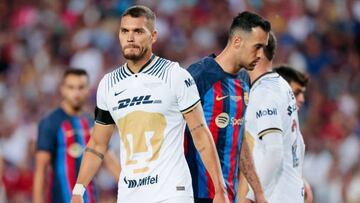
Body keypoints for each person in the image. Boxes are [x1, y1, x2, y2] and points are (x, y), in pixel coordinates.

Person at [70, 5, 229, 203]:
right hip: (130, 196)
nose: (130, 38)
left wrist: (220, 189)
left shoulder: (175, 75)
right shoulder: (108, 84)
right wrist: (78, 189)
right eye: (124, 31)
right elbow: (97, 144)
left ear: (153, 36)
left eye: (138, 31)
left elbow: (199, 132)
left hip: (172, 192)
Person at [185, 11, 269, 203]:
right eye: (257, 47)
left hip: (228, 196)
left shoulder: (244, 79)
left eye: (263, 48)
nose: (260, 55)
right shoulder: (199, 76)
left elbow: (239, 137)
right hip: (196, 194)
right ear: (237, 41)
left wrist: (259, 192)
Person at [33, 69, 120, 203]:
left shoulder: (93, 123)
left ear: (87, 89)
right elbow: (40, 170)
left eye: (81, 87)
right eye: (71, 87)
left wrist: (133, 189)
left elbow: (110, 161)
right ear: (62, 89)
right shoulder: (51, 122)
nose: (76, 93)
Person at [241, 32, 305, 203]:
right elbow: (300, 143)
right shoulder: (282, 85)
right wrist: (296, 181)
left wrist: (253, 196)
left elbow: (274, 151)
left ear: (258, 52)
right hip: (288, 192)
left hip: (275, 195)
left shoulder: (265, 93)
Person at [274, 65, 313, 203]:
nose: (302, 99)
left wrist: (299, 181)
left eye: (303, 93)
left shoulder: (291, 122)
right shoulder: (270, 121)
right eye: (297, 93)